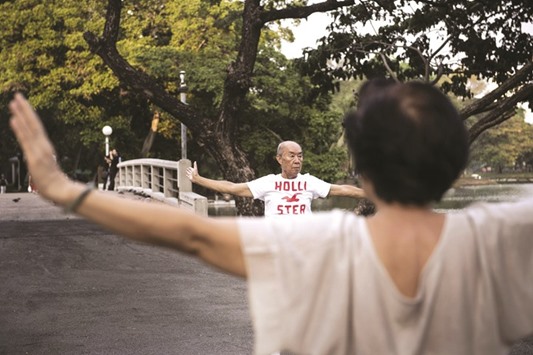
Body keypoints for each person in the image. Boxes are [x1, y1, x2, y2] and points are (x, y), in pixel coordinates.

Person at [7, 79, 533, 355]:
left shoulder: (318, 248)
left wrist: (63, 189)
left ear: (365, 167)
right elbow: (233, 190)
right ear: (455, 165)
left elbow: (188, 231)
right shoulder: (498, 241)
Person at [186, 141, 365, 216]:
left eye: (300, 156)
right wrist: (199, 179)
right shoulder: (268, 183)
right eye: (292, 156)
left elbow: (343, 189)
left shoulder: (309, 182)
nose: (297, 160)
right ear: (279, 159)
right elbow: (232, 187)